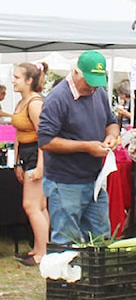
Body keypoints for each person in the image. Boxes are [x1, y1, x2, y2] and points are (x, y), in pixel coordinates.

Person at [38, 51, 118, 245]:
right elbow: (46, 141)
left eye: (97, 81)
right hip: (65, 181)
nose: (92, 87)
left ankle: (96, 274)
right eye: (89, 81)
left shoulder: (99, 93)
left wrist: (111, 136)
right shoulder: (57, 99)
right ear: (75, 72)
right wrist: (86, 147)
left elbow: (112, 122)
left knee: (100, 237)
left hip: (95, 180)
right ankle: (65, 275)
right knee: (67, 240)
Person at [11, 62, 48, 266]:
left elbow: (44, 135)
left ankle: (42, 253)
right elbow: (18, 133)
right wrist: (17, 161)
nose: (13, 81)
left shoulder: (35, 104)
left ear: (29, 81)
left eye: (17, 77)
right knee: (39, 206)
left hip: (36, 154)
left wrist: (41, 166)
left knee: (31, 205)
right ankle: (40, 247)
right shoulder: (21, 102)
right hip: (26, 154)